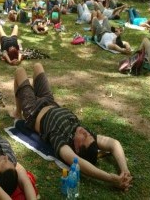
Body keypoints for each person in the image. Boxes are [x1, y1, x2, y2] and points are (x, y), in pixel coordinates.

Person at [10, 63, 133, 191]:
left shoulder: (62, 142)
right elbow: (114, 144)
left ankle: (18, 112)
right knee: (37, 66)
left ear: (77, 148)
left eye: (84, 136)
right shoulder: (85, 134)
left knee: (19, 71)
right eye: (88, 134)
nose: (86, 132)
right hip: (49, 101)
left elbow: (79, 163)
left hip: (33, 110)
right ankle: (26, 99)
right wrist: (125, 170)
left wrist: (110, 178)